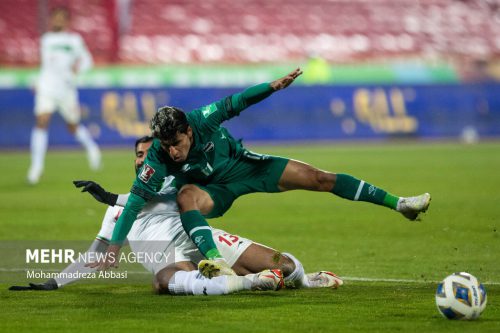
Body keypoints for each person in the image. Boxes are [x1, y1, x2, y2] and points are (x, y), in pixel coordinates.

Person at [88, 68, 431, 276]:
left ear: (188, 131)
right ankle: (215, 262)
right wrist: (115, 248)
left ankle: (401, 204)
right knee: (185, 196)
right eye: (167, 145)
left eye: (177, 142)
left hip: (247, 167)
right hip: (214, 191)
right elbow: (134, 203)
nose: (173, 151)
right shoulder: (159, 156)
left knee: (319, 178)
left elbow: (236, 102)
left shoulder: (202, 119)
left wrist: (272, 86)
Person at [10, 136, 342, 295]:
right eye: (138, 155)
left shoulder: (175, 185)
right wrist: (53, 282)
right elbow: (93, 256)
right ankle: (250, 282)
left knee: (285, 267)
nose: (143, 160)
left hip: (204, 241)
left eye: (148, 154)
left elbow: (145, 196)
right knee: (163, 280)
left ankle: (306, 278)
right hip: (172, 258)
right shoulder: (116, 214)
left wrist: (112, 196)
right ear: (134, 160)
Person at [27, 7, 101, 185]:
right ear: (51, 20)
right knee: (42, 121)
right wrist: (36, 80)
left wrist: (78, 68)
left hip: (66, 89)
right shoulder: (46, 40)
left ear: (67, 21)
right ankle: (36, 168)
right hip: (46, 88)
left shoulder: (74, 40)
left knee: (72, 126)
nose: (58, 21)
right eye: (55, 18)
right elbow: (44, 65)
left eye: (61, 18)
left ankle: (92, 148)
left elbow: (87, 60)